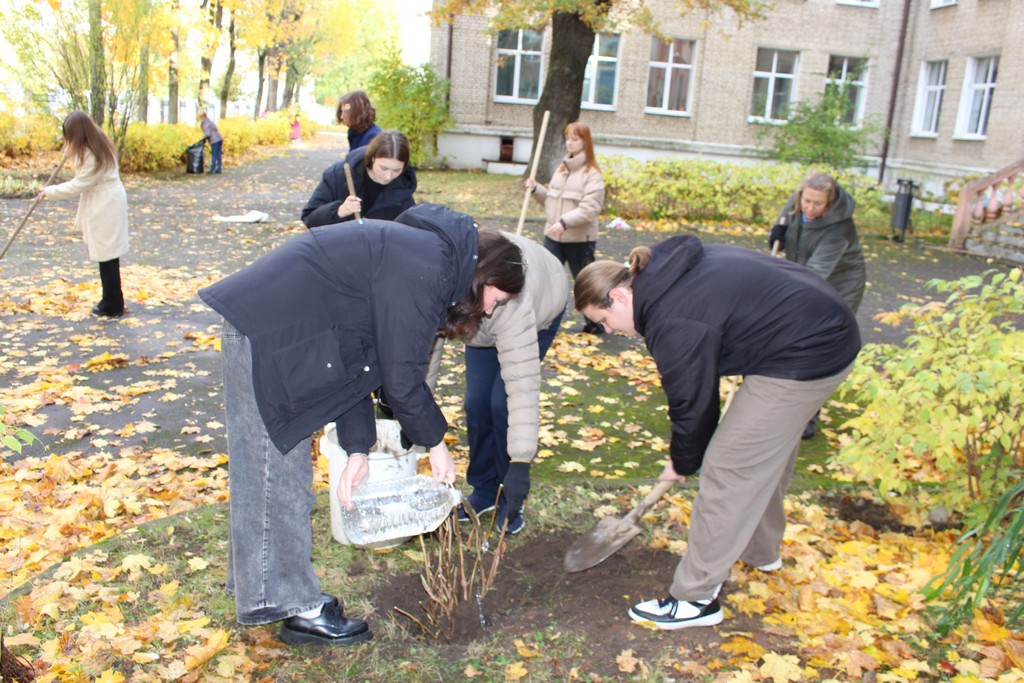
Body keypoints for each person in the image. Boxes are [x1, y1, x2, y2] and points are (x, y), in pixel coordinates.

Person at [198, 203, 525, 646]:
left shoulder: (425, 256)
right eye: (496, 300)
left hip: (284, 331)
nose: (488, 311)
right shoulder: (427, 265)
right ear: (485, 277)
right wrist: (436, 444)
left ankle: (263, 589)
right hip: (270, 332)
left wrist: (358, 448)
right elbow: (401, 379)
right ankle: (295, 608)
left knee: (270, 471)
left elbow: (361, 357)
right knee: (276, 474)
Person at [574, 235, 860, 630]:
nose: (610, 331)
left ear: (619, 298)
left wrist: (683, 461)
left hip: (811, 347)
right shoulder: (663, 273)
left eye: (604, 321)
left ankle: (696, 598)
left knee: (729, 466)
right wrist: (685, 455)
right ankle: (760, 552)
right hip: (810, 328)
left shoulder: (673, 320)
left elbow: (693, 405)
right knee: (761, 452)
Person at [426, 232, 567, 535]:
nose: (489, 309)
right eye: (490, 301)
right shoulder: (439, 287)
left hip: (540, 309)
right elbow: (427, 355)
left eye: (495, 302)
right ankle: (485, 490)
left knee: (501, 403)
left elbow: (522, 384)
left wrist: (521, 463)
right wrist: (413, 415)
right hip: (478, 323)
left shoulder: (509, 303)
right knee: (477, 403)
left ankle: (507, 493)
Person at [768, 172, 866, 438]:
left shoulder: (839, 229)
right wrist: (776, 233)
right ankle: (782, 399)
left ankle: (807, 415)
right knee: (790, 339)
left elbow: (814, 274)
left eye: (818, 204)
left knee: (818, 347)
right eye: (807, 201)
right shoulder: (797, 202)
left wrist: (779, 297)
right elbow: (782, 226)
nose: (810, 208)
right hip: (802, 276)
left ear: (829, 203)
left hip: (839, 287)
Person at [40, 110, 129, 318]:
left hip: (106, 203)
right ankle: (112, 300)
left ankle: (112, 304)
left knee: (107, 253)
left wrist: (49, 192)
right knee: (107, 253)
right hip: (105, 199)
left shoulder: (93, 154)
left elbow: (79, 184)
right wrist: (70, 150)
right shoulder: (97, 143)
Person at [525, 121, 605, 334]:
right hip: (554, 237)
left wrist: (563, 223)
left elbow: (590, 209)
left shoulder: (592, 174)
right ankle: (540, 319)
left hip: (579, 240)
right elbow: (551, 201)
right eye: (568, 138)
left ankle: (597, 322)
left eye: (575, 139)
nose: (569, 143)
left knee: (585, 282)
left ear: (585, 142)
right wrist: (536, 190)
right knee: (545, 278)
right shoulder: (561, 170)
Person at [301, 130, 416, 228]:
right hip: (337, 246)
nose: (388, 176)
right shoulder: (339, 174)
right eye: (383, 168)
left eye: (396, 170)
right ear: (373, 158)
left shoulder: (404, 186)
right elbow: (309, 219)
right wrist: (340, 211)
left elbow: (409, 232)